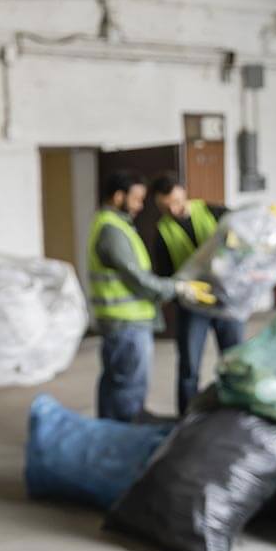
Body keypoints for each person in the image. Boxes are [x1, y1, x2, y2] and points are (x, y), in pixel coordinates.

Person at [88, 170, 214, 422]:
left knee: (114, 385)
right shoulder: (112, 231)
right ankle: (124, 442)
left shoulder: (114, 225)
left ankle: (108, 437)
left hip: (123, 323)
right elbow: (138, 279)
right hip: (127, 324)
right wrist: (177, 288)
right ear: (117, 196)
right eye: (136, 199)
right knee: (129, 390)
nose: (140, 205)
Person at [149, 171, 242, 415]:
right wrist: (181, 294)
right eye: (166, 206)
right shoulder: (162, 232)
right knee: (189, 367)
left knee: (234, 362)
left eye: (177, 202)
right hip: (193, 306)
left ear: (185, 193)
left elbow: (244, 230)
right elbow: (167, 275)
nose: (174, 209)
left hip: (225, 301)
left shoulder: (214, 212)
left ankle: (235, 414)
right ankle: (186, 419)